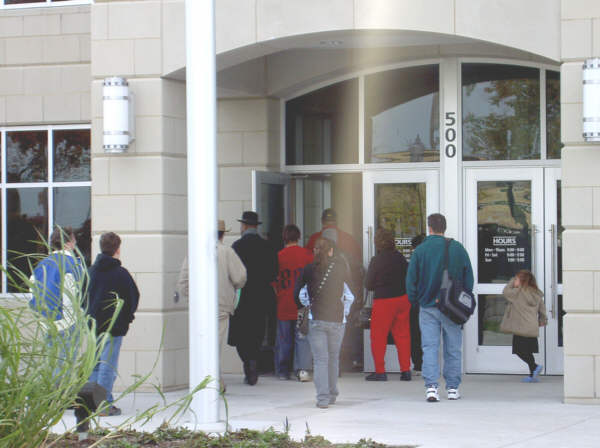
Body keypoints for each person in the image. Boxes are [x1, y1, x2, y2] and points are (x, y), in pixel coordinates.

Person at [406, 213, 473, 402]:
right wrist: (463, 300)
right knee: (453, 347)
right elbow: (469, 278)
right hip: (452, 307)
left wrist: (415, 301)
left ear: (429, 228)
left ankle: (431, 388)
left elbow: (411, 280)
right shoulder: (458, 248)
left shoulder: (420, 250)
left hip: (427, 305)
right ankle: (452, 388)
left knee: (429, 347)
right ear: (444, 227)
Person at [177, 220, 247, 390]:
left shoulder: (195, 252)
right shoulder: (227, 252)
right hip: (220, 307)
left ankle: (210, 381)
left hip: (199, 308)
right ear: (223, 234)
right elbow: (240, 278)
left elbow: (183, 281)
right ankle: (213, 383)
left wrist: (192, 299)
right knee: (214, 346)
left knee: (202, 345)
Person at [295, 237, 354, 409]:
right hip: (336, 319)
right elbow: (351, 293)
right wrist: (346, 312)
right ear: (331, 251)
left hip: (316, 319)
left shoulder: (308, 269)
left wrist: (305, 307)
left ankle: (322, 398)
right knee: (334, 358)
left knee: (320, 360)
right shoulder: (341, 269)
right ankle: (333, 393)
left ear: (315, 252)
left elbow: (296, 294)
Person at [87, 232, 140, 416]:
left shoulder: (91, 271)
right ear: (118, 249)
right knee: (107, 365)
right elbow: (133, 298)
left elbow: (83, 297)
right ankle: (103, 405)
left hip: (93, 326)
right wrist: (126, 319)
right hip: (113, 327)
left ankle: (90, 403)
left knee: (95, 365)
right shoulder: (121, 274)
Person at [307, 208, 363, 371]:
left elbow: (308, 267)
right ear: (337, 221)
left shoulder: (314, 240)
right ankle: (345, 360)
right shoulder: (349, 240)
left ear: (322, 221)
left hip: (319, 296)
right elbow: (358, 266)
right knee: (344, 327)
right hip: (343, 291)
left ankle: (323, 365)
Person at [229, 211, 278, 386]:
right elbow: (274, 273)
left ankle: (247, 362)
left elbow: (232, 274)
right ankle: (254, 361)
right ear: (256, 226)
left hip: (243, 296)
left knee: (242, 334)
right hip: (262, 296)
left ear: (243, 226)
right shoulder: (268, 247)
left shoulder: (237, 246)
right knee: (257, 333)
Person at [29, 227, 85, 374]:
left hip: (46, 321)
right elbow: (71, 296)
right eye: (73, 240)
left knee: (50, 363)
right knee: (65, 365)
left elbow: (32, 291)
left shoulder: (42, 264)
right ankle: (60, 397)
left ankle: (49, 396)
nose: (75, 243)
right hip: (68, 322)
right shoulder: (73, 264)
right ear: (68, 243)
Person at [365, 228, 411, 381]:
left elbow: (368, 284)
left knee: (378, 336)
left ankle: (380, 371)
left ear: (377, 243)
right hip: (403, 299)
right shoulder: (401, 259)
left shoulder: (376, 260)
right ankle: (405, 370)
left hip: (384, 301)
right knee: (402, 335)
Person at [274, 224, 313, 381]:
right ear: (299, 236)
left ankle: (283, 371)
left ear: (284, 238)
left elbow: (275, 282)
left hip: (284, 303)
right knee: (302, 338)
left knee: (284, 339)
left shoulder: (279, 256)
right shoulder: (307, 255)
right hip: (302, 304)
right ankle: (302, 369)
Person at [501, 270, 547, 383]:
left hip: (521, 327)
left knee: (519, 350)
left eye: (516, 279)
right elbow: (542, 309)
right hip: (531, 327)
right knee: (528, 351)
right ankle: (533, 375)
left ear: (521, 281)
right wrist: (542, 319)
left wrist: (512, 281)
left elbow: (505, 291)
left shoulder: (517, 293)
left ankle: (534, 366)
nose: (514, 281)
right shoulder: (536, 293)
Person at [409, 234, 425, 376]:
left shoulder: (416, 260)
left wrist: (412, 299)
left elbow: (410, 282)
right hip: (432, 302)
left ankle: (419, 365)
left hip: (417, 303)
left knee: (416, 334)